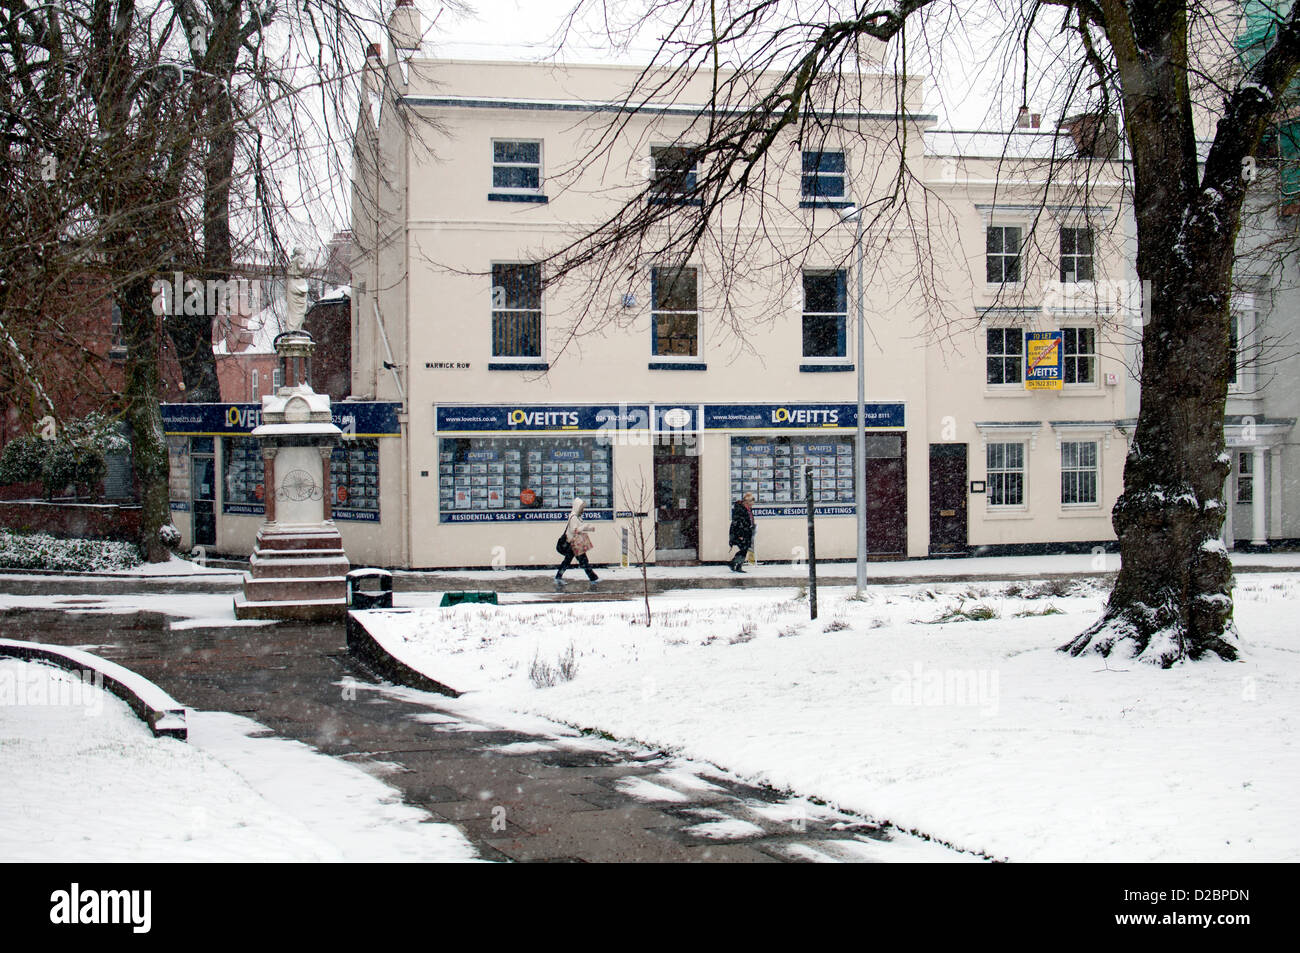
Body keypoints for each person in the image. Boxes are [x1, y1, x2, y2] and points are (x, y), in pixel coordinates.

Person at [555, 497, 598, 585]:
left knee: (568, 561)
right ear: (577, 507)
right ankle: (593, 578)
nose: (583, 509)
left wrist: (589, 529)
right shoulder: (574, 517)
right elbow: (574, 530)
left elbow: (578, 528)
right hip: (574, 544)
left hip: (575, 543)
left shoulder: (576, 516)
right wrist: (585, 527)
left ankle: (558, 577)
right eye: (581, 507)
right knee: (583, 561)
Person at [728, 492, 755, 572]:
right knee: (743, 549)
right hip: (741, 532)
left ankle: (736, 564)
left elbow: (748, 520)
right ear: (747, 502)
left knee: (744, 549)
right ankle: (735, 564)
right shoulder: (740, 509)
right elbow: (738, 522)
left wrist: (752, 525)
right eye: (751, 503)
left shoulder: (747, 509)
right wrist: (740, 534)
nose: (751, 505)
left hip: (746, 531)